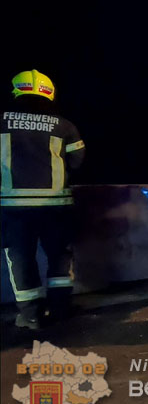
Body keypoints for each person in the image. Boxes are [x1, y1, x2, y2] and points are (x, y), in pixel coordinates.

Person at [1, 70, 86, 329]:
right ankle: (60, 308)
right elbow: (78, 161)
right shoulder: (65, 125)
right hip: (56, 205)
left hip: (13, 206)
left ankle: (30, 315)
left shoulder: (2, 121)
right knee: (59, 257)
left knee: (21, 259)